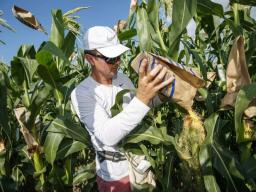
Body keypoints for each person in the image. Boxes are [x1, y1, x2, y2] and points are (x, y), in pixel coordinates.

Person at [71, 26, 174, 192]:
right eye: (111, 58)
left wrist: (160, 96)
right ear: (90, 59)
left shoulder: (122, 78)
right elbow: (107, 136)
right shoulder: (82, 93)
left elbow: (141, 106)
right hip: (115, 177)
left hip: (140, 167)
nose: (118, 62)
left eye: (118, 56)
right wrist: (142, 97)